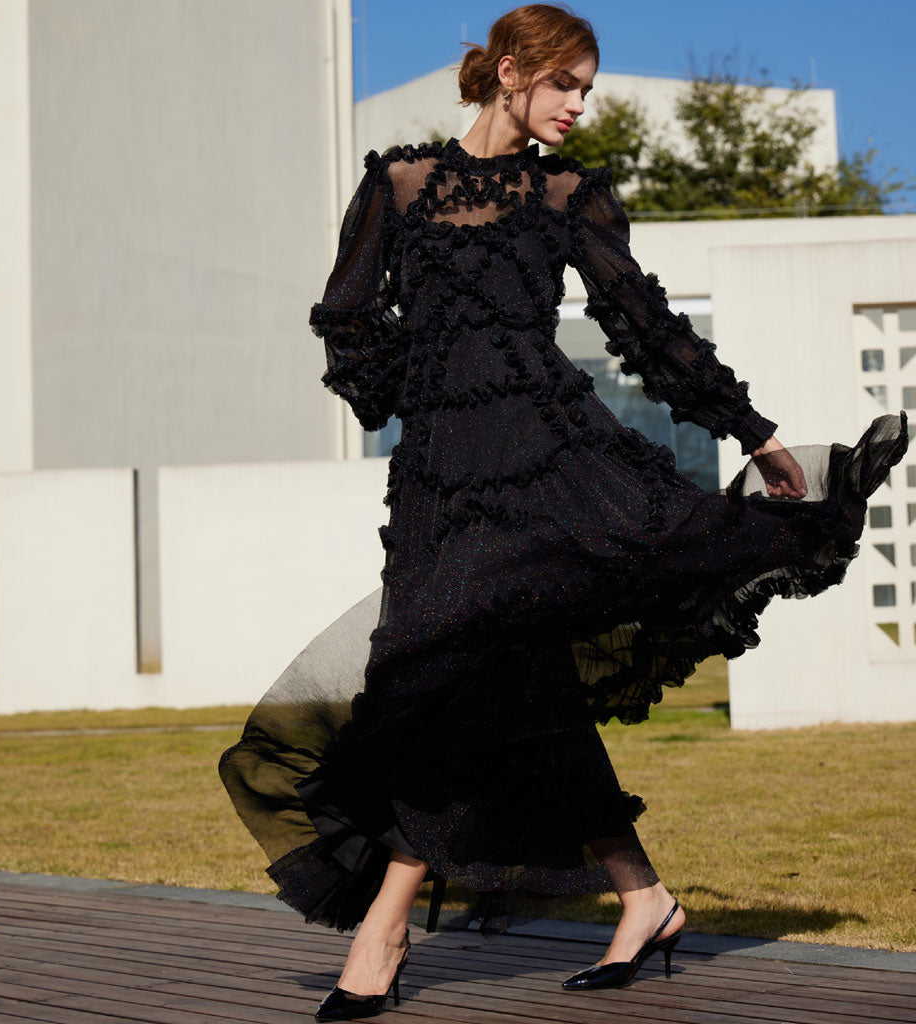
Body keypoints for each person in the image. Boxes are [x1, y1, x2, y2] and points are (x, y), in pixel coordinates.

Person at [219, 3, 909, 1019]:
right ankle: (645, 898)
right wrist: (421, 386)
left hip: (557, 469)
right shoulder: (398, 185)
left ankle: (384, 929)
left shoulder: (568, 194)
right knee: (503, 689)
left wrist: (751, 431)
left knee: (450, 685)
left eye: (587, 88)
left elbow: (646, 324)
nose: (579, 105)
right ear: (509, 73)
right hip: (441, 486)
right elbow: (347, 317)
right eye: (565, 84)